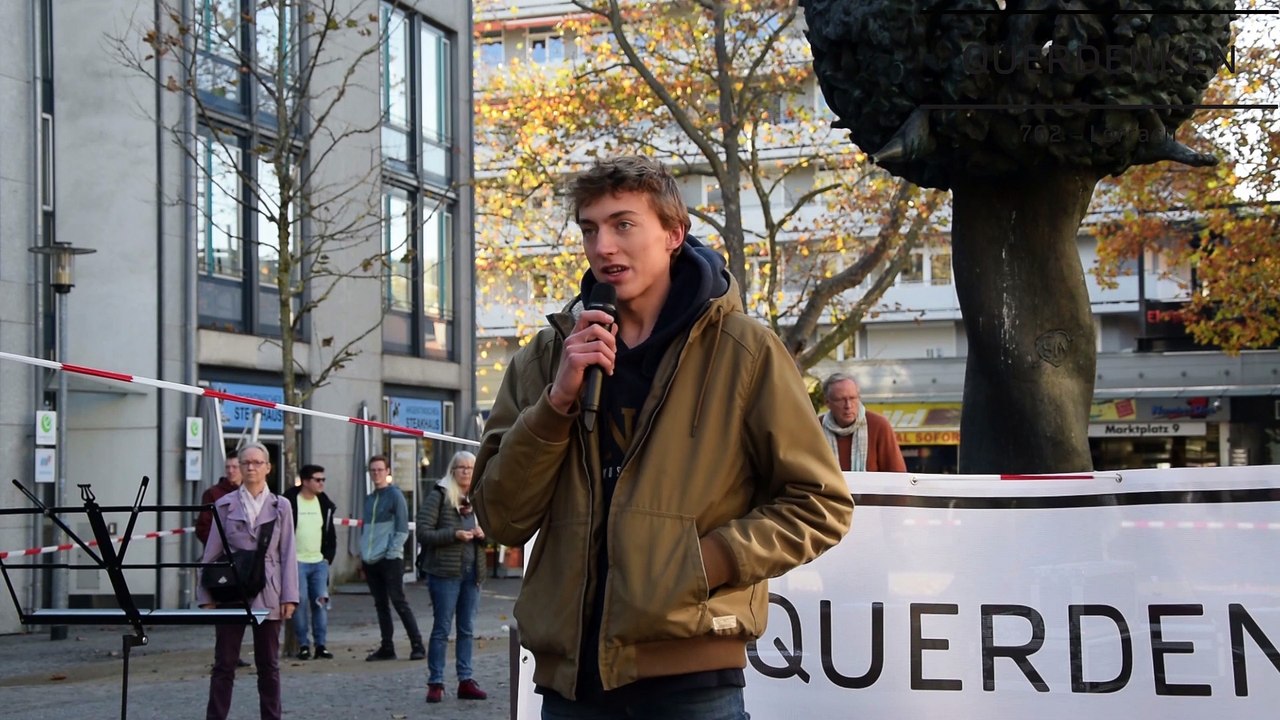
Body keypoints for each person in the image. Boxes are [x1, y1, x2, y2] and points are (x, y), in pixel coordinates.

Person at [473, 156, 853, 719]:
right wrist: (555, 406)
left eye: (623, 224)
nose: (603, 246)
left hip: (691, 683)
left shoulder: (744, 351)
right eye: (589, 228)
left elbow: (820, 504)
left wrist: (705, 562)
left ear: (674, 233)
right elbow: (501, 516)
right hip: (570, 687)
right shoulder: (547, 356)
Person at [197, 441, 298, 720]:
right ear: (239, 468)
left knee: (269, 664)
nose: (251, 467)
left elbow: (288, 551)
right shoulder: (224, 505)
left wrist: (290, 595)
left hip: (269, 590)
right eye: (246, 463)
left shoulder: (281, 506)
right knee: (224, 664)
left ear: (268, 467)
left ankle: (271, 716)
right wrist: (205, 597)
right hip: (230, 589)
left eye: (257, 462)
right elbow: (211, 552)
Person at [416, 451, 489, 704]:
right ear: (452, 470)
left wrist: (483, 534)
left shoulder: (479, 496)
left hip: (472, 573)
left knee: (467, 629)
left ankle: (465, 680)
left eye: (471, 468)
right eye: (462, 468)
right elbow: (423, 533)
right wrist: (454, 534)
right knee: (442, 629)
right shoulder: (439, 495)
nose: (467, 472)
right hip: (444, 573)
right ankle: (435, 682)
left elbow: (493, 532)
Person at [361, 454, 425, 662]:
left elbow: (401, 528)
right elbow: (367, 530)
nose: (376, 473)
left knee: (398, 601)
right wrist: (365, 554)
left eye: (380, 469)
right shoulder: (370, 499)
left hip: (390, 559)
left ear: (388, 471)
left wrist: (390, 553)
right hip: (371, 559)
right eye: (373, 470)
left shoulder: (395, 496)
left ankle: (417, 644)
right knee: (381, 604)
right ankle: (387, 647)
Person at [284, 464, 337, 661]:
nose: (321, 483)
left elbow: (330, 534)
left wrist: (327, 557)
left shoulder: (324, 504)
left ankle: (321, 645)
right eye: (317, 479)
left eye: (323, 480)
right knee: (300, 602)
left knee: (320, 603)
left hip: (318, 562)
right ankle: (303, 645)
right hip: (296, 562)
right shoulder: (289, 501)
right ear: (305, 481)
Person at [819, 372, 907, 472]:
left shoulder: (878, 425)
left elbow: (897, 474)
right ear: (827, 402)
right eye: (840, 400)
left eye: (852, 398)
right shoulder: (816, 428)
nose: (848, 406)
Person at [196, 451, 241, 545]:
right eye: (227, 467)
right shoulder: (212, 493)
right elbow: (203, 527)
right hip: (220, 553)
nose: (230, 471)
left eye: (234, 467)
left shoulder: (250, 493)